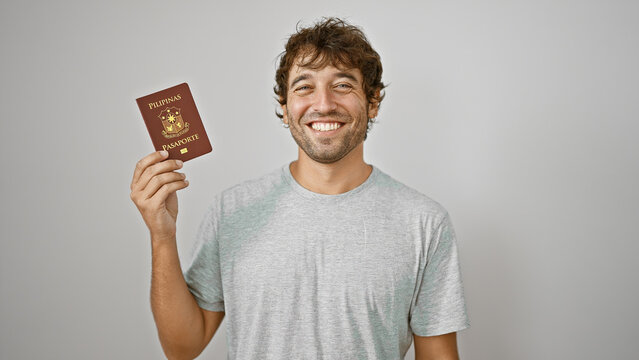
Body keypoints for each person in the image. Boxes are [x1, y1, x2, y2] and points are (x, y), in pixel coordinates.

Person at [130, 17, 469, 360]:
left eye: (342, 85)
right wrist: (162, 236)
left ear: (373, 101)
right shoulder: (231, 210)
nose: (322, 104)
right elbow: (182, 347)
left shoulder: (424, 223)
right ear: (284, 106)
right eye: (304, 87)